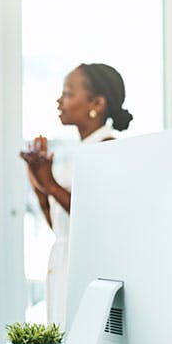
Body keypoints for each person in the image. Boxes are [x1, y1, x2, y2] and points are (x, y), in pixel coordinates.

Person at [20, 63, 133, 326]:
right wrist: (39, 183)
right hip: (64, 263)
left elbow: (94, 217)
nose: (60, 100)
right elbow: (61, 226)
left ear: (97, 102)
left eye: (69, 93)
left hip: (88, 269)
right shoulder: (81, 152)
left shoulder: (107, 148)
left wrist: (50, 184)